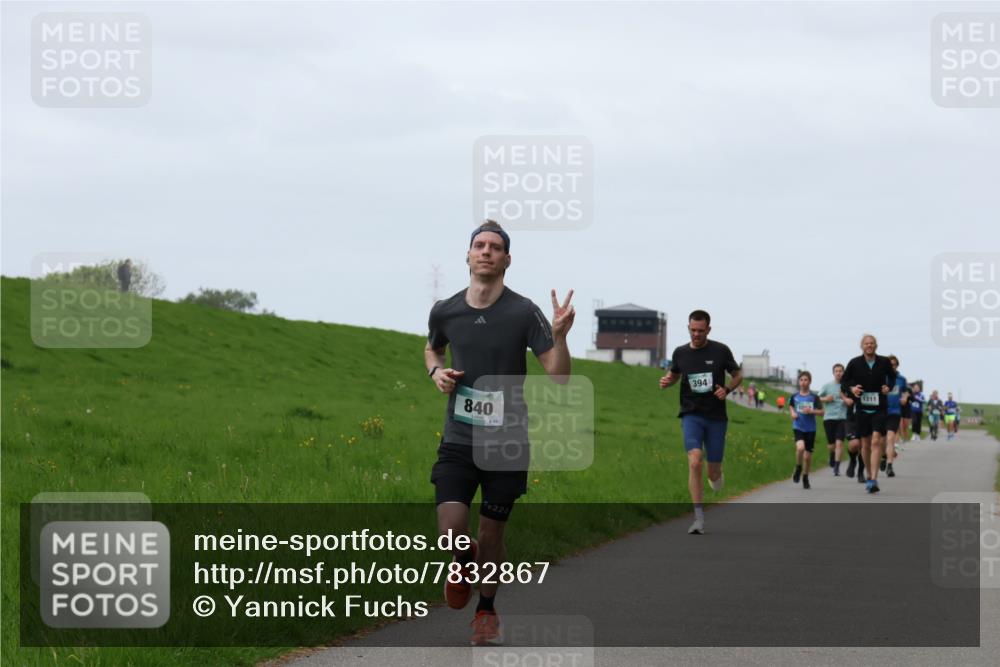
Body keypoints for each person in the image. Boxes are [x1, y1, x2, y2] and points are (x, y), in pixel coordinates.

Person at [425, 220, 575, 645]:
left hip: (507, 442)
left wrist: (559, 337)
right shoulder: (445, 310)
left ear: (507, 259)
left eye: (495, 247)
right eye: (479, 245)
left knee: (492, 533)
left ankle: (486, 611)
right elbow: (432, 347)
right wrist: (436, 372)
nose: (486, 251)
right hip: (459, 437)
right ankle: (462, 559)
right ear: (468, 255)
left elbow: (559, 375)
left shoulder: (523, 312)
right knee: (451, 528)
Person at [659, 310, 743, 534]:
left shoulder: (720, 351)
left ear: (708, 330)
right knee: (695, 461)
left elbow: (738, 375)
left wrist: (727, 389)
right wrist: (668, 381)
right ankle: (698, 518)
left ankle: (716, 475)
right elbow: (675, 374)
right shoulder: (680, 352)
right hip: (691, 415)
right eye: (693, 330)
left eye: (701, 331)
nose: (696, 334)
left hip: (716, 417)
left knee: (712, 473)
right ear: (688, 328)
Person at [841, 334, 896, 494]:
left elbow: (893, 377)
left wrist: (888, 386)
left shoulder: (884, 362)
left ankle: (873, 479)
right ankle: (869, 474)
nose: (869, 345)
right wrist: (852, 388)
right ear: (862, 346)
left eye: (872, 343)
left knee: (876, 441)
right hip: (862, 408)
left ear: (876, 346)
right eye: (866, 343)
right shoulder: (854, 363)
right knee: (865, 444)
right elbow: (844, 381)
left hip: (879, 407)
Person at [789, 371, 824, 489]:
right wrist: (793, 413)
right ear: (799, 382)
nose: (803, 382)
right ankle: (798, 467)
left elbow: (822, 412)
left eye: (806, 380)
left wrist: (812, 411)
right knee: (800, 448)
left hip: (810, 429)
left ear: (810, 382)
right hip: (798, 426)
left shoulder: (814, 397)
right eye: (801, 380)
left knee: (807, 457)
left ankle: (805, 477)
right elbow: (791, 406)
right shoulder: (794, 396)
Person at [819, 363, 848, 476]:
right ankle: (832, 454)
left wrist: (847, 400)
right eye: (836, 371)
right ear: (833, 373)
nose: (838, 373)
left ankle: (836, 467)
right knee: (831, 445)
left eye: (840, 371)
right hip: (829, 418)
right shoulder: (827, 386)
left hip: (842, 418)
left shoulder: (847, 386)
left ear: (843, 373)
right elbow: (817, 398)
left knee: (839, 443)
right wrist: (826, 399)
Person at [882, 355, 907, 478]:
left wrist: (904, 398)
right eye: (889, 364)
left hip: (894, 411)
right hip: (881, 411)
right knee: (880, 441)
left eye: (894, 364)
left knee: (890, 438)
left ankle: (889, 466)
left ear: (897, 365)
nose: (892, 366)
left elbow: (905, 391)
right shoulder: (881, 377)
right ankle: (883, 456)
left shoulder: (901, 379)